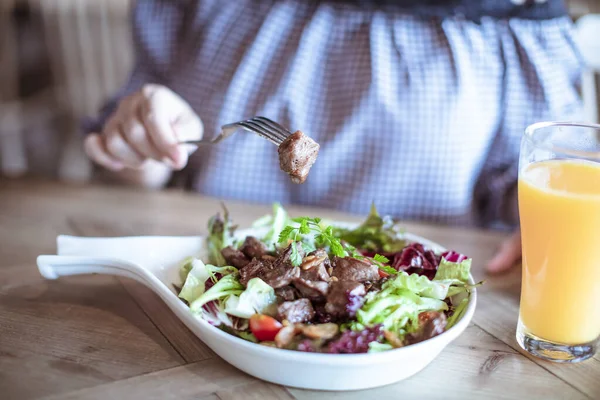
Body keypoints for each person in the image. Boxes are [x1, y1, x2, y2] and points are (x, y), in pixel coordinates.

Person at [83, 0, 584, 274]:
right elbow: (128, 178)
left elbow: (538, 178)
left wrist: (542, 218)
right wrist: (144, 145)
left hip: (420, 331)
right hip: (200, 299)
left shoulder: (509, 19)